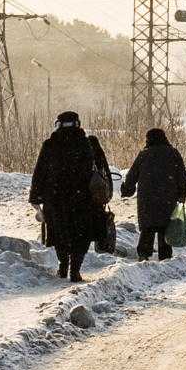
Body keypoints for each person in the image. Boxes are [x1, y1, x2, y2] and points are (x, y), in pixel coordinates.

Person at [28, 110, 113, 282]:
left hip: (56, 199)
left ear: (58, 125)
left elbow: (39, 173)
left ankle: (62, 267)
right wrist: (106, 192)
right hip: (84, 199)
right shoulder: (89, 144)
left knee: (60, 233)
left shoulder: (50, 145)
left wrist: (36, 196)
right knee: (81, 234)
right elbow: (103, 171)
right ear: (78, 124)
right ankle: (75, 269)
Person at [122, 126, 186, 261]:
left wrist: (127, 188)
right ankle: (165, 254)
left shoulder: (144, 154)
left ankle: (143, 253)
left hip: (147, 196)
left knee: (148, 225)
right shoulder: (173, 153)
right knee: (165, 224)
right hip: (168, 195)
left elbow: (132, 174)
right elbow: (181, 174)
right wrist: (182, 192)